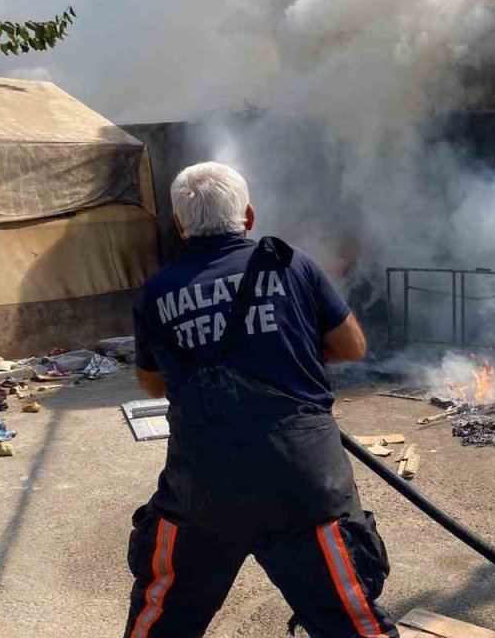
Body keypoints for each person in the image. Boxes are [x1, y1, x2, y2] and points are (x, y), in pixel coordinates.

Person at [124, 161, 399, 638]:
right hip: (302, 483)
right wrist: (284, 356)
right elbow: (351, 346)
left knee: (162, 623)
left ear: (179, 225)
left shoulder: (156, 292)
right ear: (248, 217)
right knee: (350, 623)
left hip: (204, 489)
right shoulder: (290, 263)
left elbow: (152, 383)